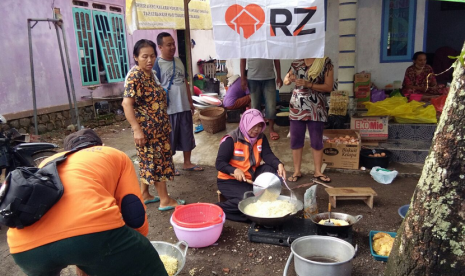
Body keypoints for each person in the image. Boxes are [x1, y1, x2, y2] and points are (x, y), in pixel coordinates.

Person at [7, 129, 168, 276]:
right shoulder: (112, 154)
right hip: (90, 235)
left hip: (24, 248)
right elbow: (134, 213)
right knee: (147, 263)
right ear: (101, 145)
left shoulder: (50, 162)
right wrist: (134, 246)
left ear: (67, 151)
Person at [122, 39, 184, 211]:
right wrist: (136, 130)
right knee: (157, 163)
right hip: (148, 131)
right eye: (144, 57)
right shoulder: (135, 76)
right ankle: (165, 200)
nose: (149, 60)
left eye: (152, 56)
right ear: (135, 57)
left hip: (159, 129)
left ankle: (145, 194)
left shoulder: (150, 74)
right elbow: (127, 104)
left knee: (148, 162)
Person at [215, 109, 286, 222]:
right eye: (253, 126)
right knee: (248, 200)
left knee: (271, 169)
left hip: (250, 175)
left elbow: (267, 154)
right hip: (229, 180)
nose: (257, 129)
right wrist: (234, 170)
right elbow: (219, 163)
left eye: (259, 126)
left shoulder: (261, 137)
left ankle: (261, 202)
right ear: (246, 123)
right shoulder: (231, 139)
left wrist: (279, 164)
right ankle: (218, 209)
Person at [155, 32, 203, 174]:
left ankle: (187, 163)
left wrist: (190, 101)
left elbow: (185, 81)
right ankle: (169, 166)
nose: (172, 47)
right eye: (168, 45)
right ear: (160, 47)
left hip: (183, 106)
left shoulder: (179, 61)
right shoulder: (157, 64)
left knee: (187, 134)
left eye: (173, 44)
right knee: (170, 138)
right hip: (169, 109)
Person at [283, 57, 334, 183]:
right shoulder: (296, 62)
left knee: (316, 140)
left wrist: (309, 84)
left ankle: (318, 171)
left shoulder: (325, 62)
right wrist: (289, 79)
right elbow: (286, 81)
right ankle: (297, 171)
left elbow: (328, 87)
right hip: (297, 107)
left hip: (316, 107)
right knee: (296, 140)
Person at [240, 59, 283, 140]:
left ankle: (271, 129)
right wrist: (243, 78)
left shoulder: (270, 45)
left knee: (271, 104)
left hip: (269, 77)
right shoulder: (247, 45)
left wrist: (279, 77)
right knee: (255, 106)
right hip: (252, 78)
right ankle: (256, 129)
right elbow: (243, 60)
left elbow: (276, 59)